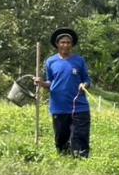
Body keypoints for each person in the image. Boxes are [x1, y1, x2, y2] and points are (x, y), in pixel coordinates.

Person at [35, 27, 92, 158]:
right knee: (61, 138)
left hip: (79, 106)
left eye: (68, 42)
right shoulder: (51, 62)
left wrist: (85, 84)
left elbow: (87, 79)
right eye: (62, 42)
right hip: (59, 107)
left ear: (72, 45)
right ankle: (64, 160)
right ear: (57, 45)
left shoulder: (79, 61)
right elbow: (51, 82)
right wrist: (41, 83)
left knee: (80, 136)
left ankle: (81, 160)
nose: (65, 45)